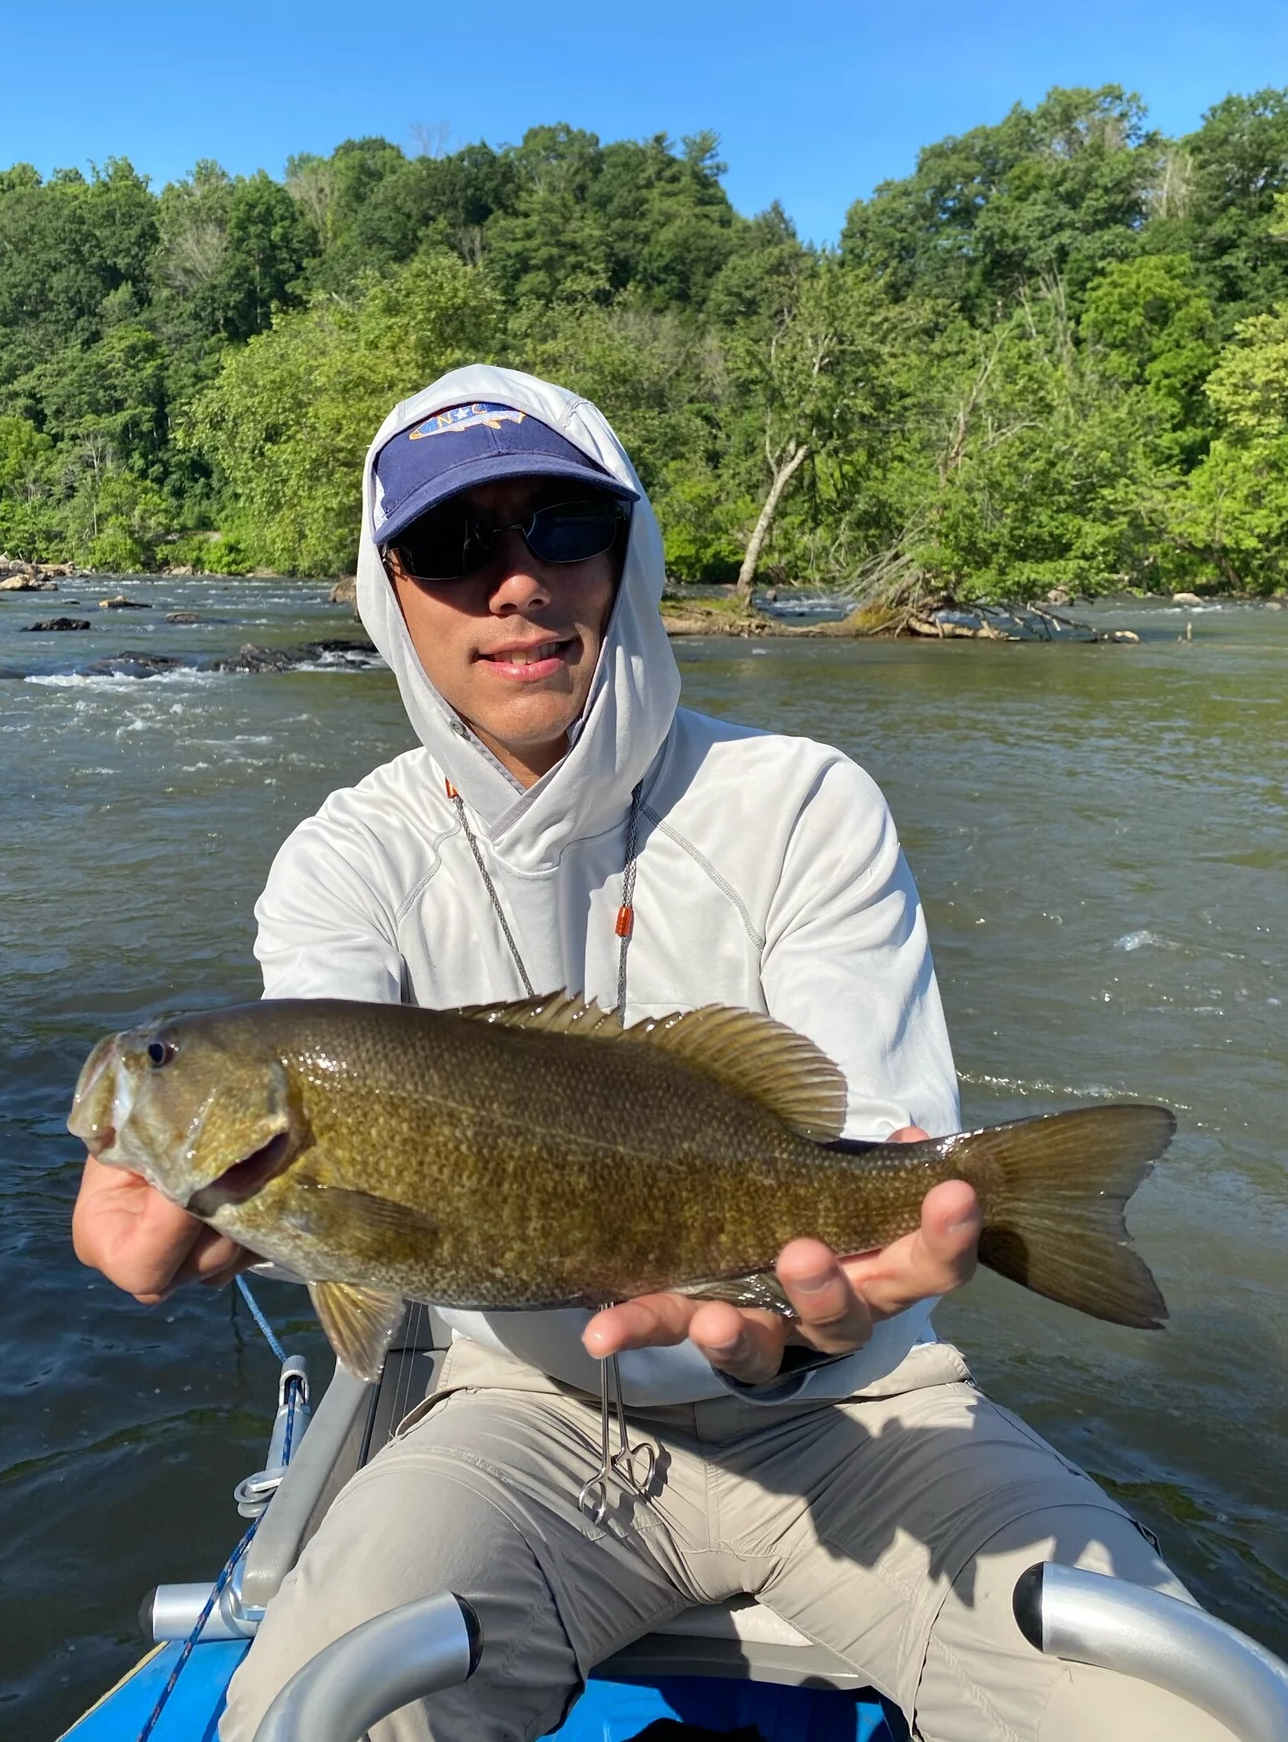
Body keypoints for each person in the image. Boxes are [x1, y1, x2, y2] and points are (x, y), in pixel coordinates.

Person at [72, 366, 1225, 1742]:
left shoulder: (800, 800)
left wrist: (827, 1308)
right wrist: (211, 1214)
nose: (515, 583)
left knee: (1168, 1710)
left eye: (562, 528)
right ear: (390, 591)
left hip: (860, 1409)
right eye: (454, 546)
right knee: (318, 1712)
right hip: (521, 1413)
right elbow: (339, 1192)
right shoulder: (345, 858)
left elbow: (876, 1151)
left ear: (632, 552)